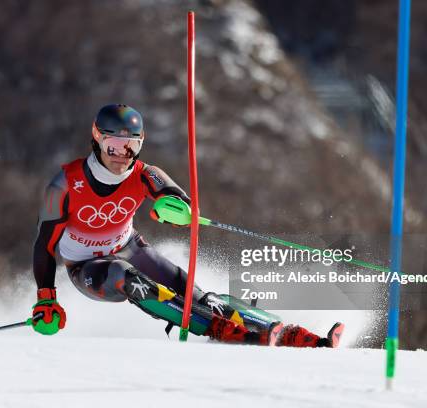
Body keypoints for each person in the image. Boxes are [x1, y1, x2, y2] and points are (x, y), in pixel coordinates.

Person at [31, 103, 344, 347]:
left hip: (129, 248)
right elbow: (45, 245)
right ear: (97, 137)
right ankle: (217, 329)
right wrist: (46, 297)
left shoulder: (144, 173)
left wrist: (178, 209)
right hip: (87, 267)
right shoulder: (65, 184)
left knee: (192, 292)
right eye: (113, 145)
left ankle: (286, 332)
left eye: (131, 147)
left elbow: (176, 197)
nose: (121, 156)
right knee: (123, 276)